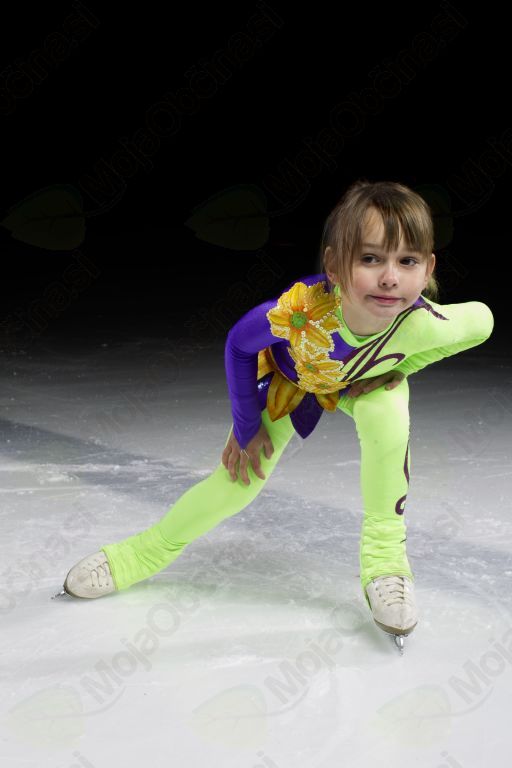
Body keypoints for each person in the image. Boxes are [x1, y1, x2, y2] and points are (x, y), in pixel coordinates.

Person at [60, 179, 494, 650]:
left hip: (358, 387)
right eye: (370, 258)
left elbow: (482, 323)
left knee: (388, 415)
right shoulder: (301, 312)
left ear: (428, 269)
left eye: (407, 261)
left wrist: (402, 367)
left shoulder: (424, 324)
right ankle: (140, 555)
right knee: (237, 482)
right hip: (294, 382)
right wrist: (246, 426)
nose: (390, 278)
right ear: (334, 265)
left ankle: (386, 564)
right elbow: (238, 345)